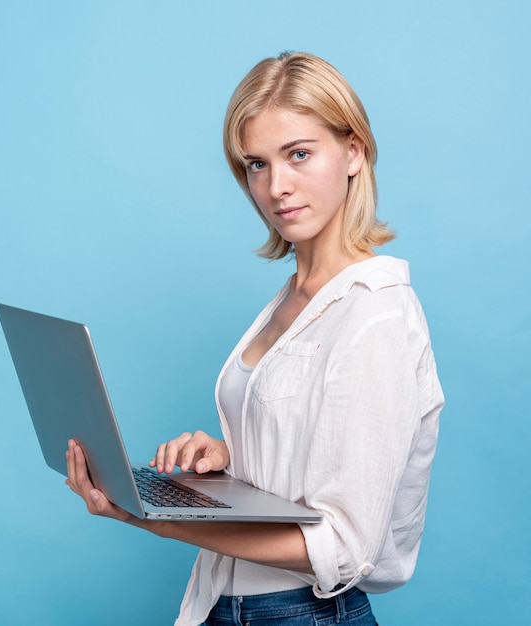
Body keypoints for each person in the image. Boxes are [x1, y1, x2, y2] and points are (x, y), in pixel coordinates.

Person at [66, 51, 444, 626]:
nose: (277, 187)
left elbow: (342, 544)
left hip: (304, 613)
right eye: (256, 165)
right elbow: (305, 459)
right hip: (225, 603)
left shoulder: (375, 314)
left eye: (299, 154)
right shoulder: (295, 296)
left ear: (353, 151)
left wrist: (146, 514)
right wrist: (225, 461)